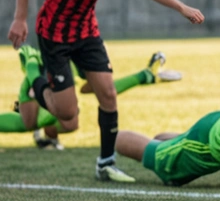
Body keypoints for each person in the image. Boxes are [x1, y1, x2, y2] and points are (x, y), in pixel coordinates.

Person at [7, 0, 205, 183]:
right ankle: (35, 76)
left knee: (108, 95)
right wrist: (20, 18)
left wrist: (181, 7)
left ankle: (106, 162)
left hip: (87, 33)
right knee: (68, 116)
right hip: (54, 35)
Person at [0, 45, 181, 150]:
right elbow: (33, 65)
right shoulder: (59, 54)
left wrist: (143, 77)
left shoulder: (82, 56)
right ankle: (36, 124)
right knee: (30, 122)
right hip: (36, 84)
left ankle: (45, 135)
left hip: (55, 90)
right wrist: (34, 76)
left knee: (70, 122)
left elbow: (99, 89)